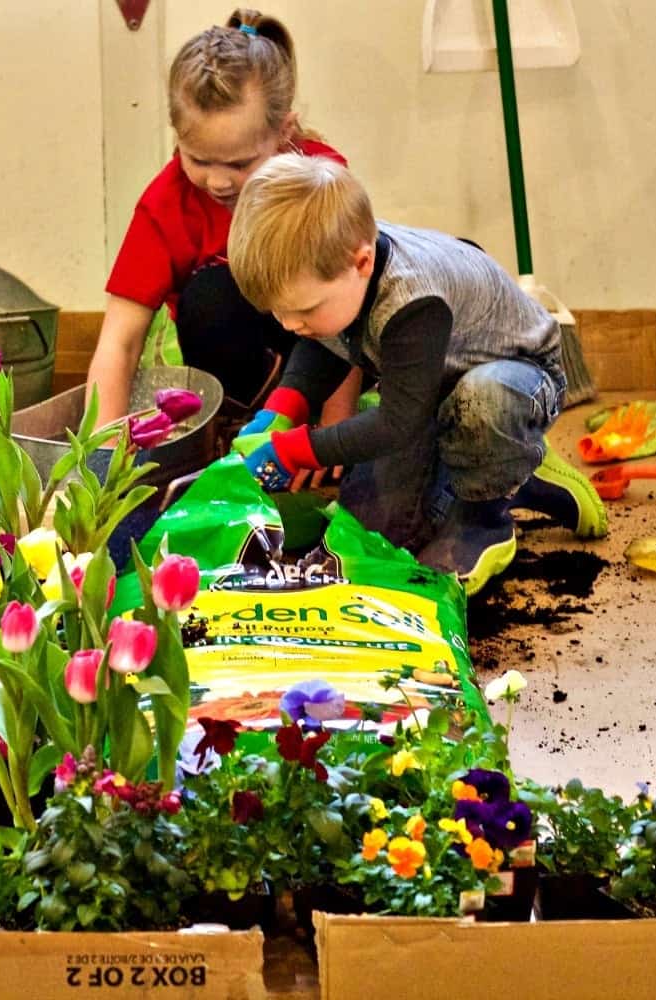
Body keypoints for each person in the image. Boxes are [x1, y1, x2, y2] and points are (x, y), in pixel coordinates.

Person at [227, 154, 607, 595]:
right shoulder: (339, 269)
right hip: (430, 387)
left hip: (518, 381)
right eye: (280, 311)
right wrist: (284, 405)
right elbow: (324, 343)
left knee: (482, 402)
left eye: (305, 310)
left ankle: (488, 511)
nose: (290, 324)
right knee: (382, 535)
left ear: (363, 263)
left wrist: (298, 451)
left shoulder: (412, 301)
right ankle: (508, 472)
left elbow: (397, 422)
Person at [86, 8, 359, 431]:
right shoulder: (167, 203)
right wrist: (100, 453)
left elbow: (352, 313)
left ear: (284, 131)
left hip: (321, 356)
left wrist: (337, 431)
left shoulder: (317, 181)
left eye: (239, 163)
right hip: (234, 370)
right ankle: (240, 422)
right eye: (198, 159)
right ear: (178, 136)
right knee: (212, 296)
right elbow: (120, 342)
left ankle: (305, 412)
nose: (217, 182)